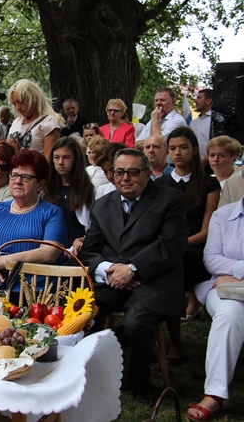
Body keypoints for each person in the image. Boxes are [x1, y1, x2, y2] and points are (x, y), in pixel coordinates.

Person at [78, 148, 187, 403]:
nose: (125, 178)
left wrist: (133, 268)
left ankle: (138, 383)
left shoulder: (171, 199)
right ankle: (84, 373)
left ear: (147, 174)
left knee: (134, 325)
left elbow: (171, 245)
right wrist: (108, 269)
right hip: (111, 282)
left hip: (152, 282)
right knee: (78, 311)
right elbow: (89, 251)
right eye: (119, 172)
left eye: (133, 172)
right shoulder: (102, 205)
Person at [155, 127, 220, 365]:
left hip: (193, 249)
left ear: (194, 149)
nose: (178, 153)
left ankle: (175, 342)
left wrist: (176, 246)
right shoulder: (160, 184)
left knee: (173, 269)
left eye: (183, 147)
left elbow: (206, 231)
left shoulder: (209, 184)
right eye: (172, 148)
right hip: (165, 246)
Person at [186, 169, 244, 422]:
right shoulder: (223, 216)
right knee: (229, 314)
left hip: (230, 281)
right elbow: (211, 259)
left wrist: (237, 272)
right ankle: (215, 394)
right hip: (224, 288)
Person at [0, 149, 68, 289]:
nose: (18, 181)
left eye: (26, 177)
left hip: (26, 292)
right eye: (14, 175)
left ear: (41, 184)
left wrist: (4, 261)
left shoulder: (51, 212)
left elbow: (49, 253)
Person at [44, 137, 94, 246]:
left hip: (78, 245)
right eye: (56, 157)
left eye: (66, 157)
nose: (60, 162)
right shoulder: (46, 189)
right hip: (50, 244)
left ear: (76, 159)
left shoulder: (87, 190)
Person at [6, 79, 61, 156]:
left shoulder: (48, 122)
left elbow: (48, 160)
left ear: (34, 98)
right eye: (14, 104)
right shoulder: (16, 122)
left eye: (20, 102)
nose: (17, 107)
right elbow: (5, 154)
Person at [189, 88, 213, 161]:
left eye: (199, 98)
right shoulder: (193, 123)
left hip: (210, 163)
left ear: (208, 101)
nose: (195, 101)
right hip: (192, 163)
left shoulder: (213, 121)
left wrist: (203, 164)